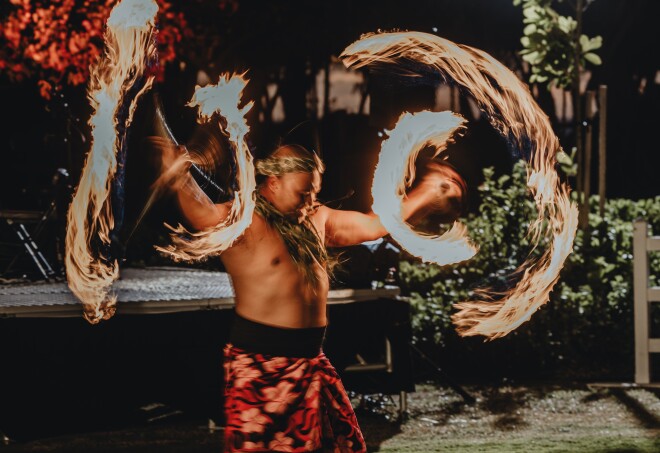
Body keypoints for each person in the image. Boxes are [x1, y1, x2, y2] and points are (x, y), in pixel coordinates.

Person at [153, 139, 467, 452]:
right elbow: (201, 213)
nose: (309, 201)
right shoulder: (245, 222)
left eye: (314, 192)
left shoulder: (318, 219)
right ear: (273, 184)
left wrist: (424, 194)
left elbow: (374, 225)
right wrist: (179, 175)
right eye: (302, 193)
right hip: (263, 370)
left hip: (311, 364)